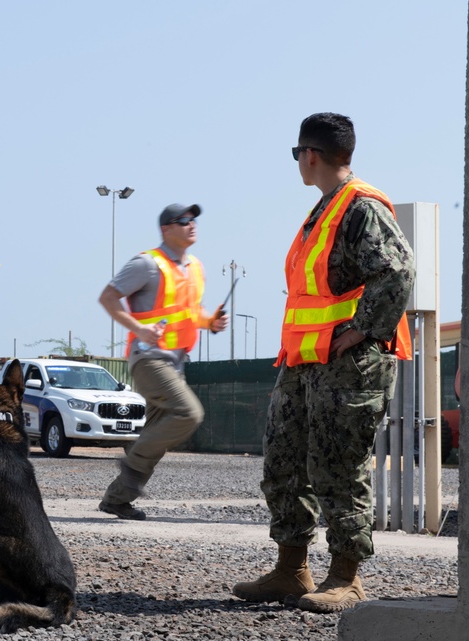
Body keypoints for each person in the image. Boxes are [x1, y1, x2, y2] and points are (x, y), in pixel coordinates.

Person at [232, 113, 414, 613]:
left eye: (297, 155)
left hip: (349, 363)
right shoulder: (325, 209)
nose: (299, 162)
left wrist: (362, 329)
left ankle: (345, 577)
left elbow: (398, 273)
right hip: (306, 361)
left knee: (337, 467)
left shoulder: (360, 208)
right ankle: (291, 570)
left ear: (309, 155)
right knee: (285, 463)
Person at [97, 203, 229, 521]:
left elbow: (187, 313)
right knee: (189, 413)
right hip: (148, 360)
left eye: (194, 219)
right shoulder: (146, 264)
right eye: (183, 220)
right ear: (165, 229)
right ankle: (130, 465)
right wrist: (139, 328)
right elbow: (108, 297)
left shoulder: (195, 267)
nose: (191, 224)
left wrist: (210, 321)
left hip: (175, 363)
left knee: (155, 436)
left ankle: (116, 499)